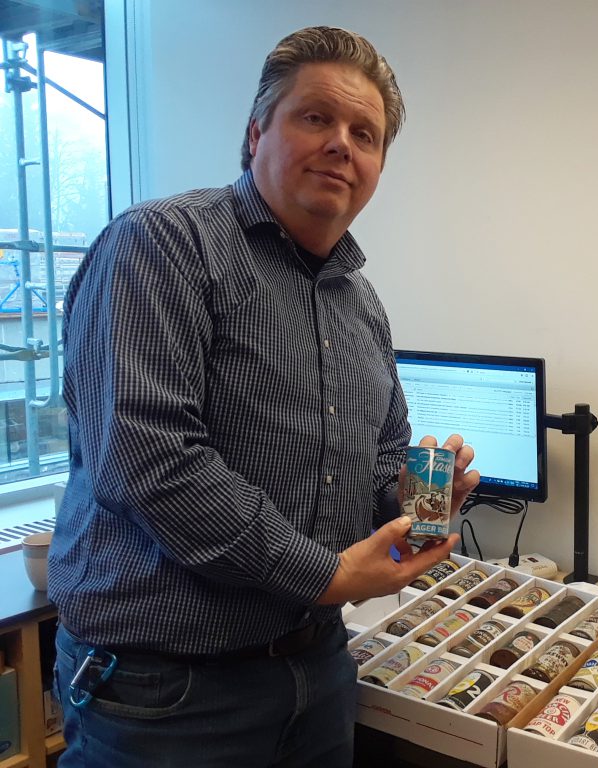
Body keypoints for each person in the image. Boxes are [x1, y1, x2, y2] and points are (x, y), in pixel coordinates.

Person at [47, 26, 477, 768]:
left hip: (316, 672)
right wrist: (330, 576)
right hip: (169, 697)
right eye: (316, 117)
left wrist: (415, 501)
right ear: (255, 136)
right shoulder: (162, 246)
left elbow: (374, 453)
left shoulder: (359, 301)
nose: (343, 144)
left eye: (365, 134)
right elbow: (151, 462)